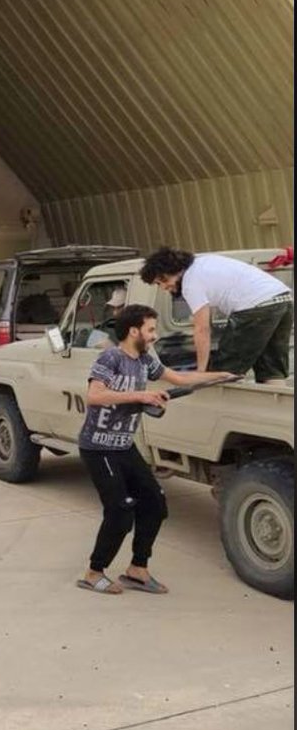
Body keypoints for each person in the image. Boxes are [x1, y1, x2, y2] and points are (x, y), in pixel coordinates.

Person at [77, 304, 236, 596]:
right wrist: (141, 395)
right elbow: (94, 396)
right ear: (133, 331)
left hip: (124, 446)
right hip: (98, 447)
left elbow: (179, 378)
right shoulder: (111, 357)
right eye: (150, 330)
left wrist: (219, 376)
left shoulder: (145, 360)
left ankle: (137, 570)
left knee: (155, 503)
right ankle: (93, 573)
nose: (155, 335)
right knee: (120, 511)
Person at [140, 247, 292, 383]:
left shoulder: (190, 283)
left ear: (176, 269)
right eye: (158, 284)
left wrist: (201, 372)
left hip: (256, 306)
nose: (164, 286)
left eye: (164, 280)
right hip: (283, 298)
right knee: (272, 370)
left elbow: (202, 329)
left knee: (223, 372)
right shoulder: (205, 262)